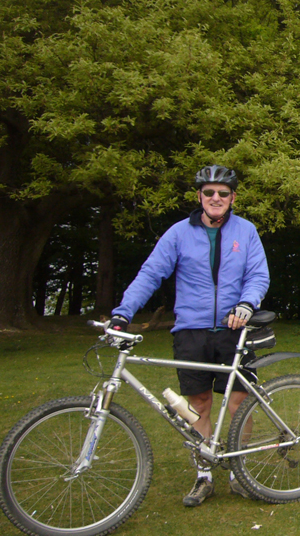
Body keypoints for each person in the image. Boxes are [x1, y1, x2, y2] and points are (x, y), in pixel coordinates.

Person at [110, 164, 270, 506]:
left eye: (223, 193)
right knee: (198, 406)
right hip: (191, 330)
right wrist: (124, 312)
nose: (216, 198)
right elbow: (151, 274)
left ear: (232, 198)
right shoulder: (178, 233)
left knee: (240, 404)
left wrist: (246, 303)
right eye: (209, 192)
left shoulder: (247, 231)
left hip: (234, 329)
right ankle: (204, 476)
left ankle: (239, 473)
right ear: (199, 196)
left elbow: (258, 275)